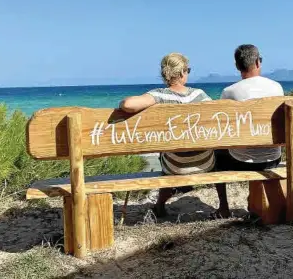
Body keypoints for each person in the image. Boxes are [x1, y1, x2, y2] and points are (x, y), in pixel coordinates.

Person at [119, 52, 214, 217]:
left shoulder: (159, 95)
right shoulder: (200, 95)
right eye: (188, 70)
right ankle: (224, 206)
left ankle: (160, 205)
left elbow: (128, 104)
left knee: (166, 151)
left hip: (174, 166)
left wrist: (121, 102)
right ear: (183, 72)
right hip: (205, 164)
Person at [213, 44, 284, 218]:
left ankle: (223, 208)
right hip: (273, 158)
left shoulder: (229, 92)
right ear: (258, 62)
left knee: (216, 153)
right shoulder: (277, 88)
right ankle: (255, 201)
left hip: (240, 160)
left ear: (237, 66)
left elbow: (222, 129)